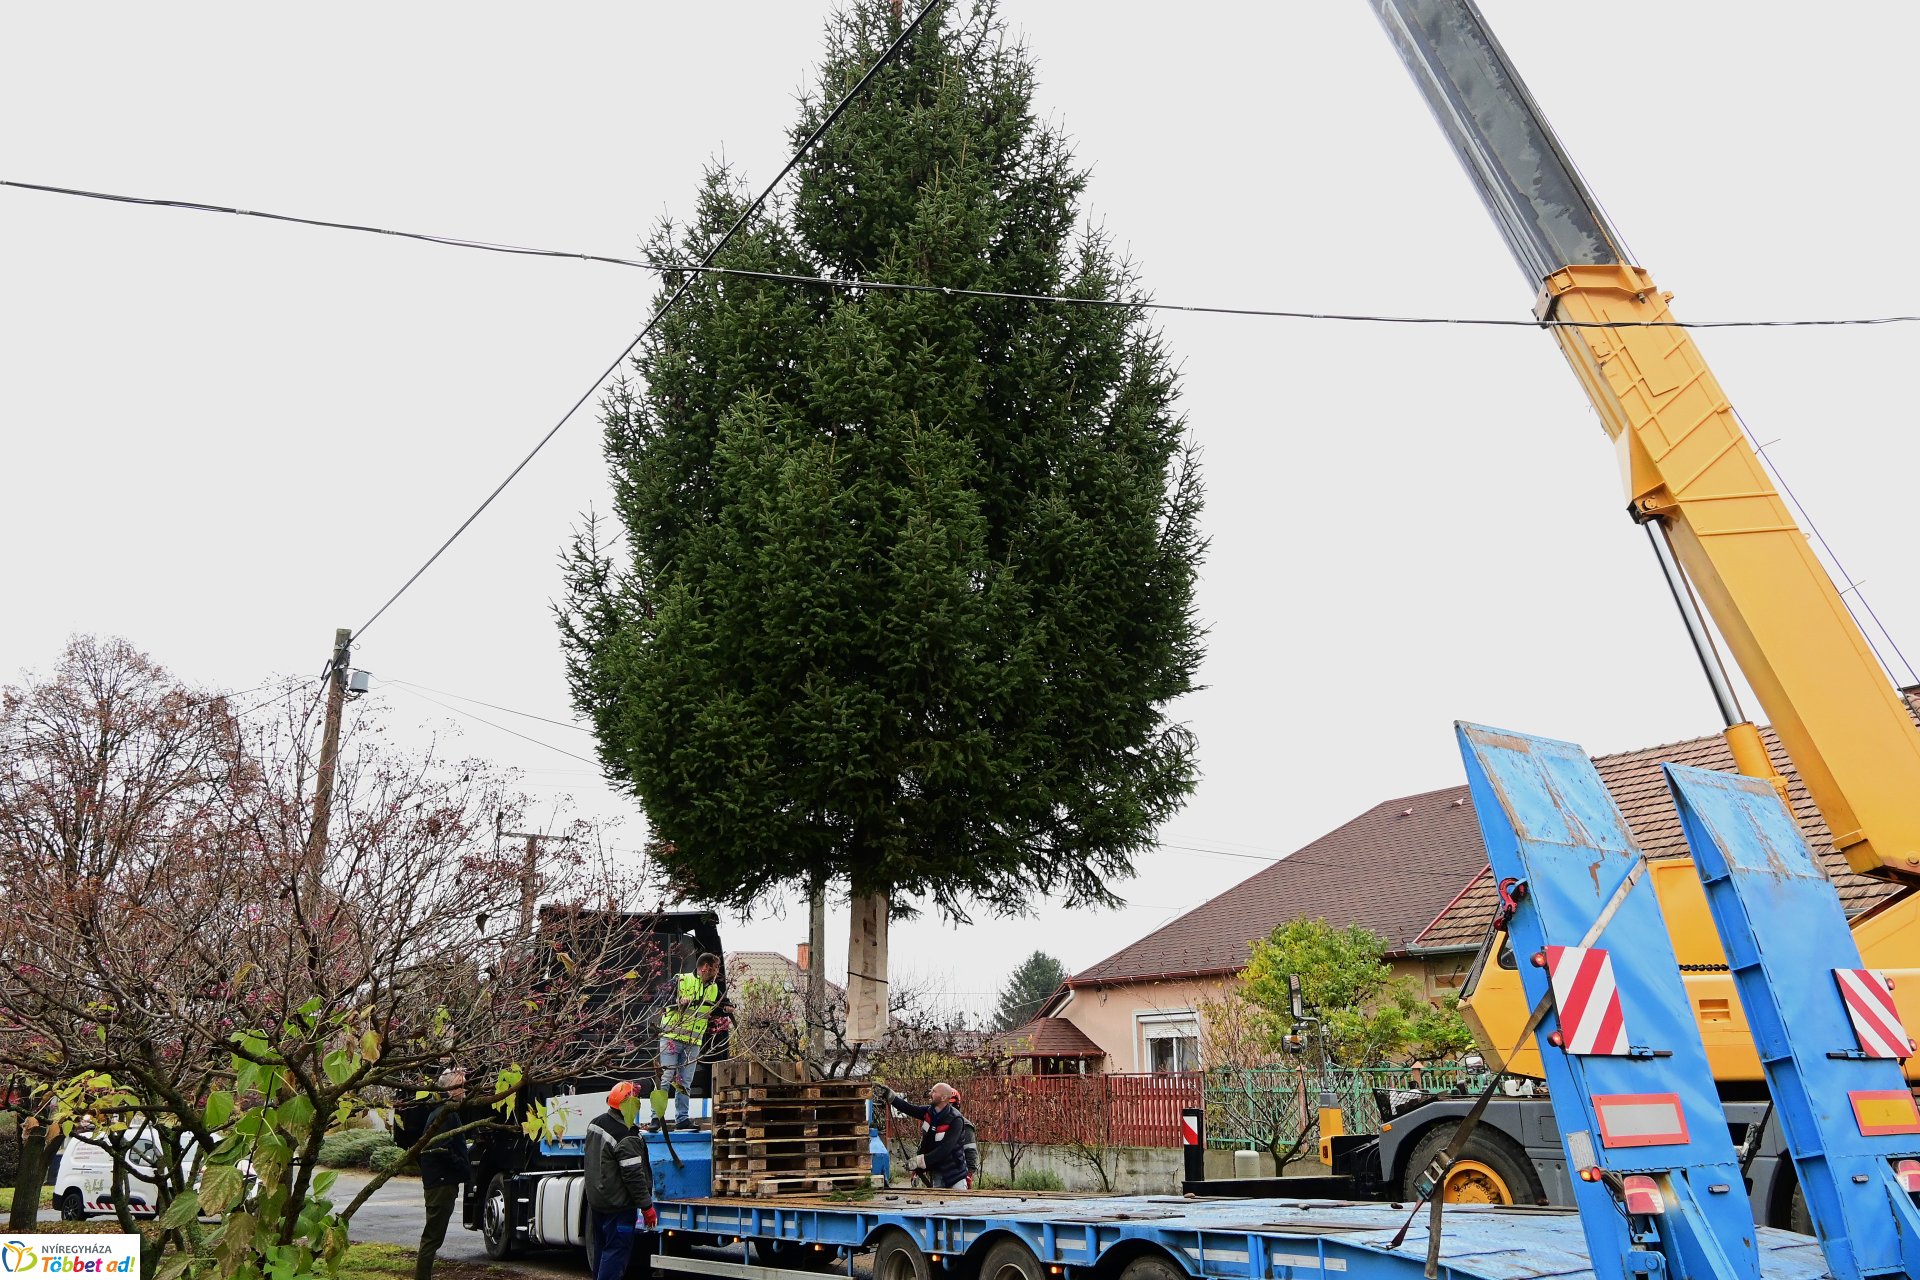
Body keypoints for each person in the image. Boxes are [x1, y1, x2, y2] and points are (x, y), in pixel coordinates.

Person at [585, 1081, 657, 1280]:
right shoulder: (626, 1136)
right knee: (616, 1252)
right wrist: (647, 1207)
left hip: (598, 1203)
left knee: (602, 1250)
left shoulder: (595, 1123)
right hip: (618, 1207)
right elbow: (633, 1176)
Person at [658, 952, 727, 1129]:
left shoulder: (712, 988)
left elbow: (721, 1003)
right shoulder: (681, 980)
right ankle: (656, 1118)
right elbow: (660, 998)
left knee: (685, 1082)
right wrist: (678, 1001)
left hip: (693, 1042)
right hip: (672, 1038)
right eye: (714, 968)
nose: (716, 972)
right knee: (666, 1079)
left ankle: (682, 1119)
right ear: (705, 968)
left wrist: (729, 1007)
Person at [415, 1070, 470, 1280]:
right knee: (432, 1237)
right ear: (449, 1090)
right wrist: (463, 1168)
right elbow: (441, 1149)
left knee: (433, 1236)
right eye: (460, 1086)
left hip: (440, 1181)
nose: (464, 1091)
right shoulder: (445, 1113)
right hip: (441, 1182)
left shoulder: (441, 1112)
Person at [873, 1081, 972, 1189]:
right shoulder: (929, 1112)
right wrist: (891, 1097)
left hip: (955, 1175)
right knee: (940, 1204)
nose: (930, 1093)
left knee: (959, 1203)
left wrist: (919, 1161)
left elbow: (945, 1149)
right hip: (937, 1172)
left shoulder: (955, 1120)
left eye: (934, 1092)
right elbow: (909, 1109)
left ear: (943, 1097)